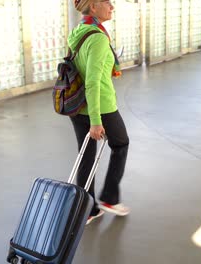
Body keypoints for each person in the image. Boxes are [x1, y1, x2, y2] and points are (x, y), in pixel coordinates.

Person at [68, 0, 130, 225]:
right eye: (107, 2)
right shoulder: (98, 38)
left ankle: (87, 208)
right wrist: (96, 121)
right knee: (121, 144)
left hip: (77, 105)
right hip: (101, 106)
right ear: (93, 7)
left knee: (86, 155)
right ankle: (110, 199)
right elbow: (93, 81)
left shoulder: (78, 31)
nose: (112, 6)